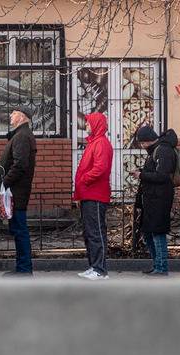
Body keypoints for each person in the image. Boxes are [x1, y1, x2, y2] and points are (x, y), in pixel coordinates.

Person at [0, 106, 37, 276]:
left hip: (16, 191)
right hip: (16, 191)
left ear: (22, 117)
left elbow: (20, 164)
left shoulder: (22, 136)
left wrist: (5, 182)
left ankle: (24, 269)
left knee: (20, 230)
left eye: (14, 113)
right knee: (18, 229)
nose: (11, 115)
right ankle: (22, 268)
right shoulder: (20, 135)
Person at [131, 125, 177, 277]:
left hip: (159, 199)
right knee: (147, 233)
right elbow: (156, 173)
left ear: (149, 140)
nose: (142, 146)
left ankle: (161, 267)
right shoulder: (156, 150)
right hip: (152, 199)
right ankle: (157, 264)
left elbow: (162, 176)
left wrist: (141, 176)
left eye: (143, 143)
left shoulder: (163, 150)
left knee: (157, 233)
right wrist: (142, 172)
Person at [73, 113, 113, 281]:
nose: (86, 125)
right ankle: (94, 266)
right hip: (88, 194)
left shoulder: (101, 144)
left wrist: (84, 179)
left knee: (96, 232)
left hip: (95, 194)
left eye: (88, 123)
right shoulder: (94, 143)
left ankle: (100, 270)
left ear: (96, 124)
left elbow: (100, 168)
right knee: (89, 233)